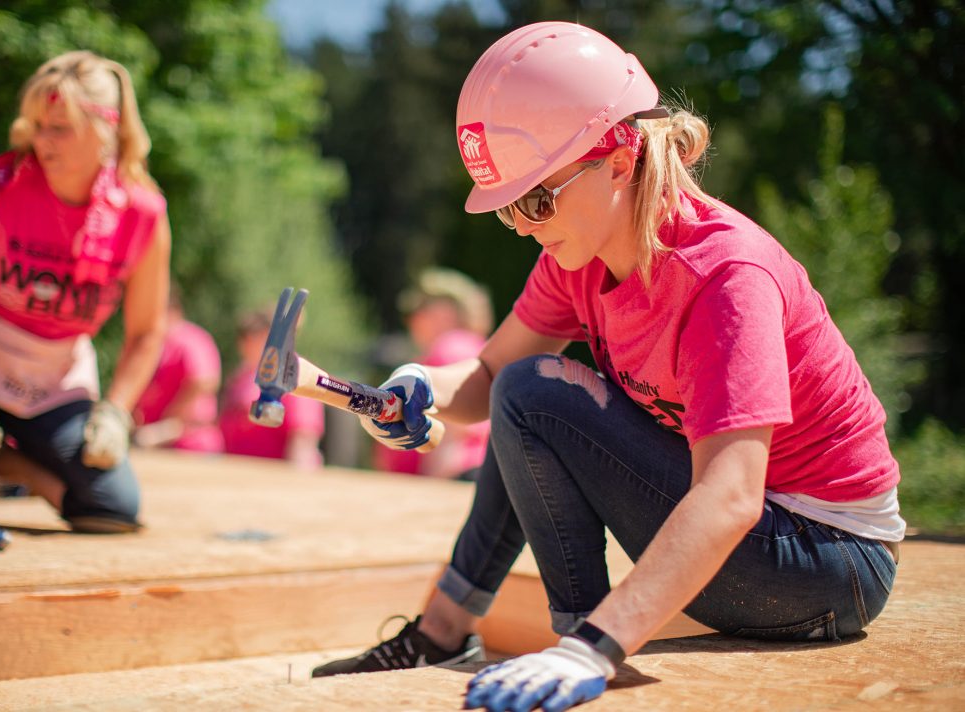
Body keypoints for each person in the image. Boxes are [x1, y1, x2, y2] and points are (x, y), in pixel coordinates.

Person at [312, 21, 904, 712]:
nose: (527, 225)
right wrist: (419, 389)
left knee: (534, 391)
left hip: (831, 564)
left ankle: (580, 647)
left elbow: (732, 496)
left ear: (619, 158)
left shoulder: (725, 278)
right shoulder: (579, 253)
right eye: (508, 210)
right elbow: (488, 378)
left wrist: (595, 645)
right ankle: (449, 632)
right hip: (767, 538)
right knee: (523, 388)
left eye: (537, 199)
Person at [0, 50, 171, 541]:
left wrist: (115, 413)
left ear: (105, 129)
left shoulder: (145, 212)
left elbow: (148, 331)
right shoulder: (0, 184)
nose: (41, 139)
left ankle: (14, 466)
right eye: (38, 124)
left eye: (59, 128)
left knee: (112, 509)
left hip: (53, 380)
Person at [374, 268, 492, 480]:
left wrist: (435, 489)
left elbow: (453, 429)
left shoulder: (451, 347)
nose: (412, 319)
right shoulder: (476, 348)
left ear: (445, 311)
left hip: (454, 477)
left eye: (420, 308)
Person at [218, 308, 325, 469]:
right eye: (244, 337)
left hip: (274, 478)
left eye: (254, 336)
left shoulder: (294, 374)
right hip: (238, 473)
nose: (245, 344)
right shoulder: (240, 377)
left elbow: (302, 439)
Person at [131, 284, 224, 453]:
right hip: (158, 442)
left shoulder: (189, 338)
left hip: (190, 444)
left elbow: (204, 382)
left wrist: (168, 420)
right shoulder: (156, 341)